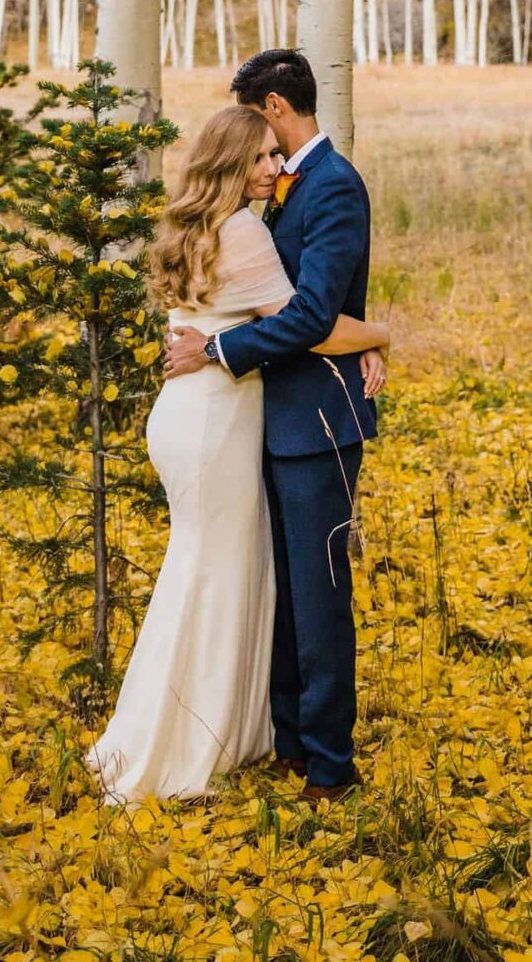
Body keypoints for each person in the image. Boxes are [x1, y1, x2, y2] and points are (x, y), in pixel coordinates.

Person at [87, 88, 387, 804]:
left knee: (205, 570)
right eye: (260, 156)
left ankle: (202, 728)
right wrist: (379, 336)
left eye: (275, 152)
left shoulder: (193, 224)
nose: (274, 166)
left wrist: (218, 344)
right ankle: (192, 741)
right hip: (217, 418)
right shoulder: (247, 230)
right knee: (218, 574)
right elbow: (312, 322)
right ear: (231, 160)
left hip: (186, 415)